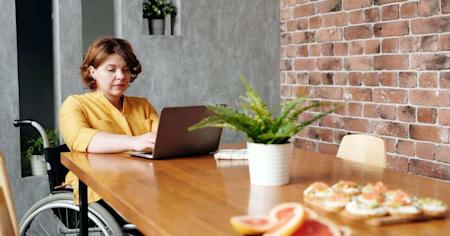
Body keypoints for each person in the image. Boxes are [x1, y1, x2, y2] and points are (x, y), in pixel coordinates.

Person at [59, 37, 159, 204]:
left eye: (126, 70)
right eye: (111, 70)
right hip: (99, 188)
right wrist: (134, 142)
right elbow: (80, 138)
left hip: (145, 182)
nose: (121, 76)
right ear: (93, 72)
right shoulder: (75, 104)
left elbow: (164, 138)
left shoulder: (142, 105)